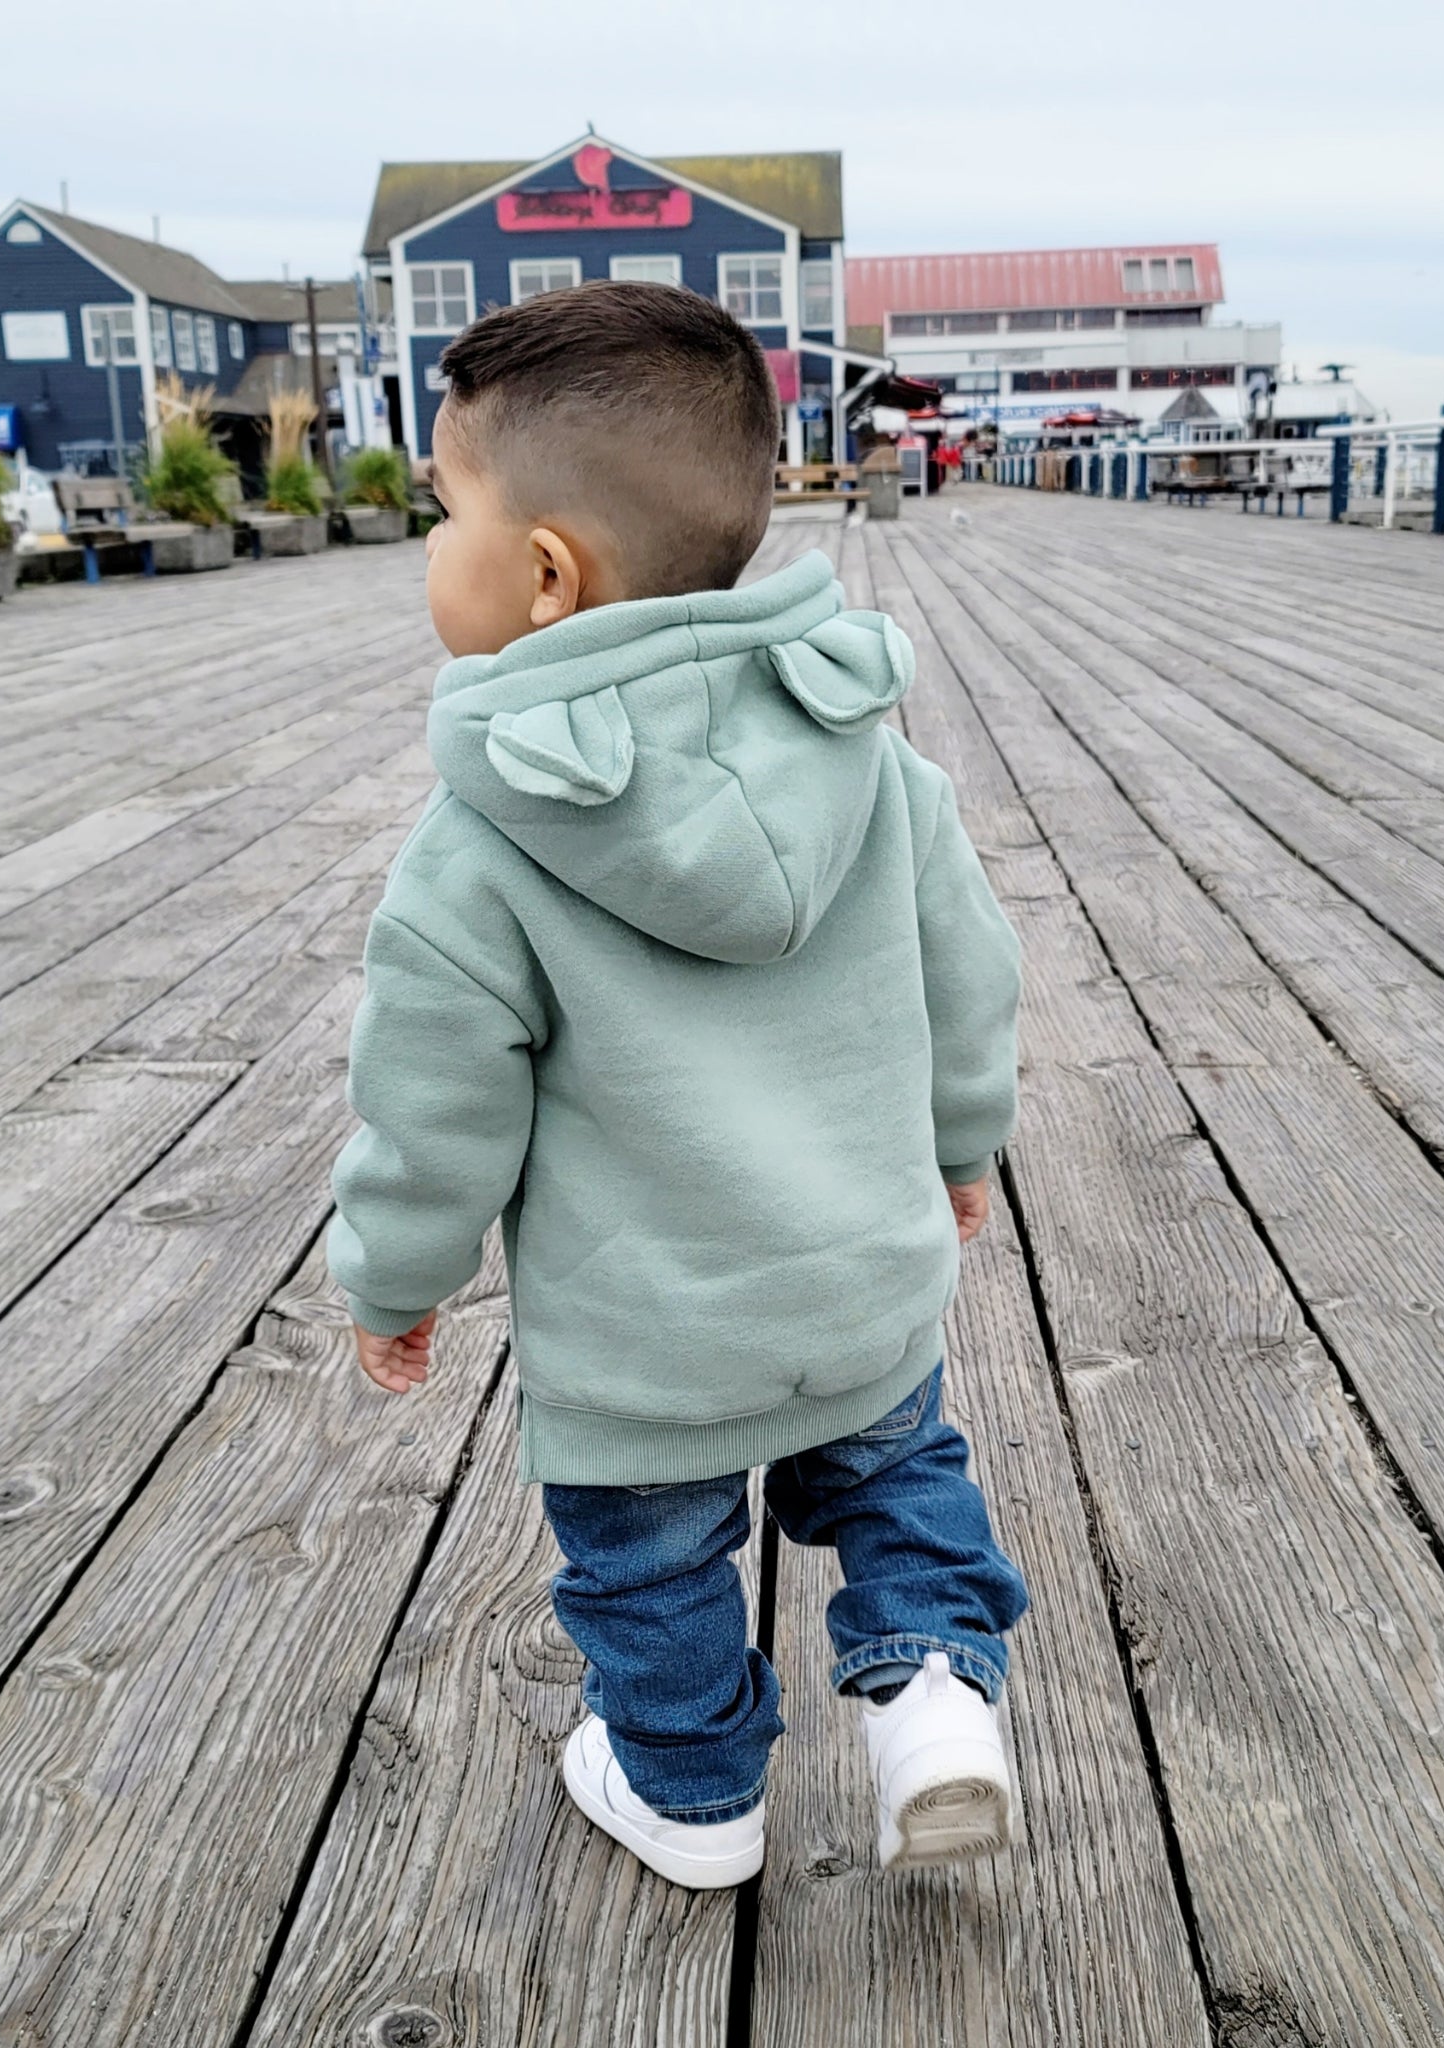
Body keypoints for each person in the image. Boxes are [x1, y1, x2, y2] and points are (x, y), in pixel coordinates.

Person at [325, 280, 1029, 1891]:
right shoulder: (865, 743)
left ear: (548, 572)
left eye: (442, 517)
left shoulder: (483, 840)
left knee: (646, 1571)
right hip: (859, 1289)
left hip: (645, 1344)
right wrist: (961, 1137)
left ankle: (696, 1800)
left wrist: (395, 1278)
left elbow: (435, 1104)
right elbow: (966, 966)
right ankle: (930, 1692)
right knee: (900, 1479)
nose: (428, 554)